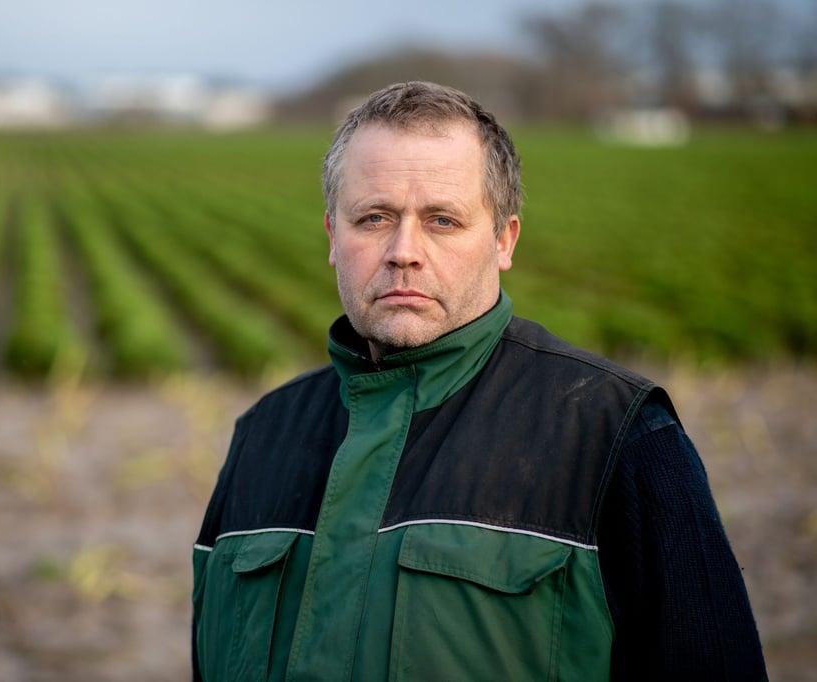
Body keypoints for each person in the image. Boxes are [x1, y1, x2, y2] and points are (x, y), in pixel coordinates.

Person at [192, 81, 767, 681]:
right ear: (334, 237)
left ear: (503, 241)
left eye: (442, 220)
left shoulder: (619, 437)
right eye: (373, 218)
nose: (403, 251)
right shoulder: (262, 436)